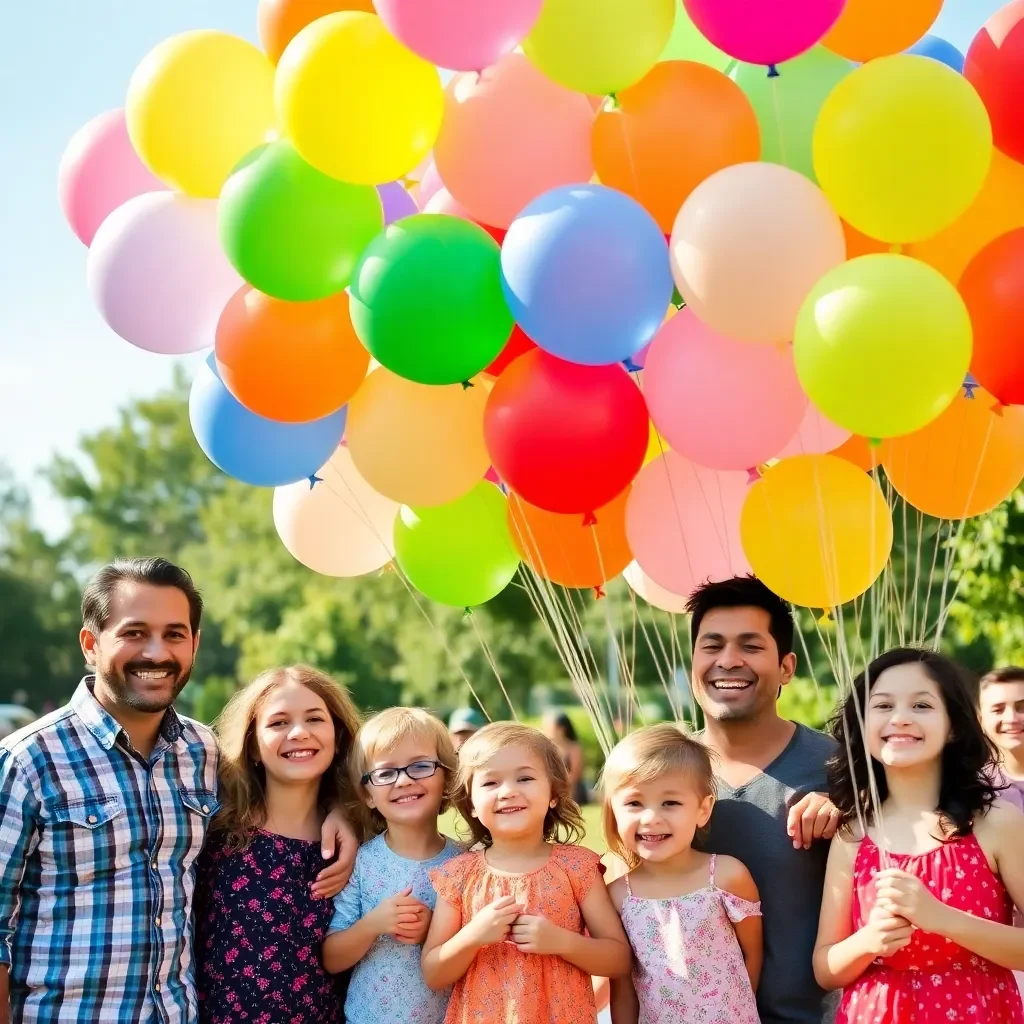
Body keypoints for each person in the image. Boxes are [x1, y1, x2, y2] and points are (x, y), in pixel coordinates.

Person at [0, 557, 355, 1024]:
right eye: (134, 633)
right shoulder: (30, 760)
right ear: (90, 644)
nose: (156, 652)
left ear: (194, 644)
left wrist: (342, 810)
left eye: (173, 634)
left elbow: (285, 786)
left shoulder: (203, 753)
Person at [814, 648, 1024, 1023]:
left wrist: (941, 918)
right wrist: (867, 941)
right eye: (882, 706)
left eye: (922, 706)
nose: (900, 718)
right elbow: (825, 968)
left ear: (954, 725)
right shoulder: (853, 833)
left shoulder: (996, 822)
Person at [684, 575, 840, 1024]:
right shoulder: (658, 778)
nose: (728, 661)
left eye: (750, 646)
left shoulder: (839, 767)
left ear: (787, 667)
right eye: (712, 646)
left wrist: (852, 817)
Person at [421, 722, 631, 1023]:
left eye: (524, 778)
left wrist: (562, 942)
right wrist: (473, 936)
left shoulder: (577, 867)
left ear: (553, 794)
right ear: (472, 804)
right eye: (490, 783)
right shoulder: (459, 876)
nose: (508, 791)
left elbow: (619, 960)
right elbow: (433, 973)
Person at [194, 665, 362, 1023]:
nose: (299, 733)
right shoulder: (215, 829)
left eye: (315, 719)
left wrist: (346, 814)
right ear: (253, 745)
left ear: (339, 737)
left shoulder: (362, 838)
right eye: (278, 722)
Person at [602, 723, 762, 1024]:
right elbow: (622, 985)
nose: (651, 818)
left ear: (702, 810)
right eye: (634, 803)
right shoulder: (617, 896)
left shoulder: (727, 877)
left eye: (670, 803)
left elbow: (752, 955)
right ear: (613, 811)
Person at [323, 707, 462, 1024]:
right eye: (385, 773)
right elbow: (332, 958)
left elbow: (480, 952)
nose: (403, 780)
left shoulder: (466, 864)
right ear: (368, 794)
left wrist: (435, 932)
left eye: (421, 766)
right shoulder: (362, 862)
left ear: (447, 778)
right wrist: (373, 924)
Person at [979, 666, 1024, 809]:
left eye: (1022, 707)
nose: (1011, 719)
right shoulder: (973, 791)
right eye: (998, 709)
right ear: (981, 721)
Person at [543, 709, 589, 805]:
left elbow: (575, 776)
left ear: (561, 729)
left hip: (573, 791)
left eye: (549, 727)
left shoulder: (574, 748)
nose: (545, 729)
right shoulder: (547, 748)